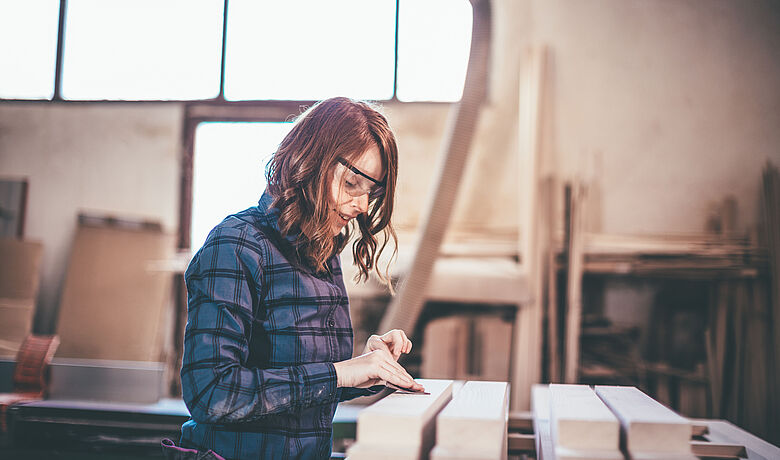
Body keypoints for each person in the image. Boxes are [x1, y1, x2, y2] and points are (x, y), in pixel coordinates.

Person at [173, 97, 423, 460]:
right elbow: (212, 393)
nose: (363, 206)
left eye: (372, 192)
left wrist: (363, 369)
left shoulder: (321, 253)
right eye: (353, 183)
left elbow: (301, 385)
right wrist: (339, 374)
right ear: (309, 163)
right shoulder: (237, 244)